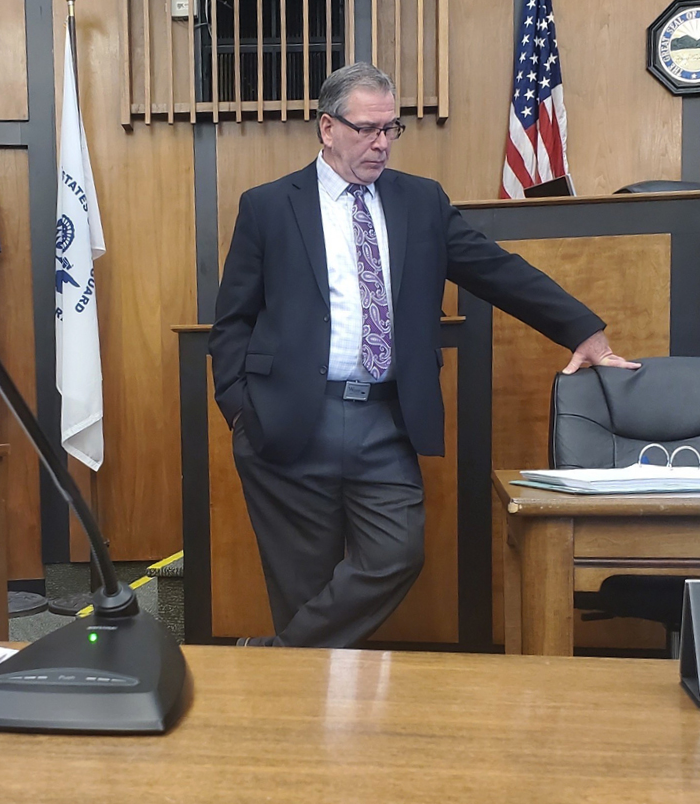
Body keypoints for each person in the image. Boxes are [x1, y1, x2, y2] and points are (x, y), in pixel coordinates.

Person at [208, 63, 639, 649]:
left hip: (384, 421)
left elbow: (495, 271)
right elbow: (233, 317)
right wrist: (240, 407)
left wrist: (580, 331)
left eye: (391, 129)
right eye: (366, 129)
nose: (381, 143)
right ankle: (311, 727)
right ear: (327, 128)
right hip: (286, 422)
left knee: (397, 553)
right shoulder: (267, 206)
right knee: (301, 588)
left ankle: (276, 656)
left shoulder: (420, 201)